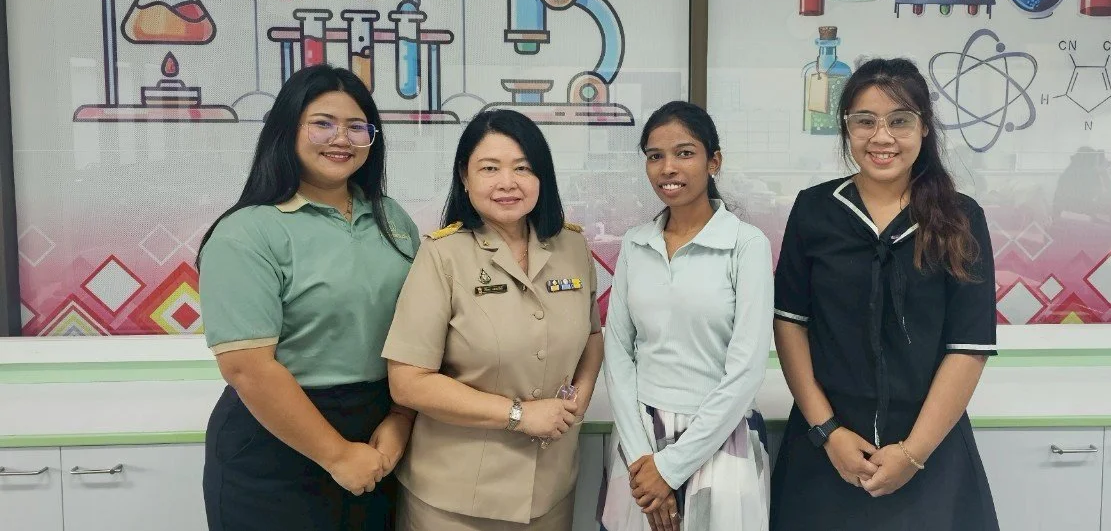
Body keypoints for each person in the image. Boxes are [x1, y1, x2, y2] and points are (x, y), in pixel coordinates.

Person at [770, 58, 1000, 530]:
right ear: (846, 128)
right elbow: (791, 324)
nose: (882, 137)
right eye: (865, 121)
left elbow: (968, 347)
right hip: (826, 451)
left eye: (899, 121)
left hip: (929, 453)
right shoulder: (814, 210)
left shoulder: (960, 218)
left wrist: (912, 455)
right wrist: (828, 432)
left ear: (924, 128)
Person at [200, 65, 420, 531]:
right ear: (287, 130)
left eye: (356, 126)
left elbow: (419, 329)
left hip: (379, 434)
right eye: (322, 123)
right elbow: (247, 367)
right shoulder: (246, 232)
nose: (341, 138)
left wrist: (401, 416)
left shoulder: (391, 218)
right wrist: (337, 455)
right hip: (276, 443)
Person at [382, 109, 605, 530]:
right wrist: (519, 414)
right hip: (457, 501)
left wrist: (581, 394)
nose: (508, 182)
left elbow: (592, 335)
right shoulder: (442, 256)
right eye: (490, 168)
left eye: (523, 168)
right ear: (465, 179)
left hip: (551, 491)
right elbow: (408, 380)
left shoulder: (572, 246)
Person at [600, 101, 774, 531]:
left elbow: (747, 369)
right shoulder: (636, 245)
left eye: (684, 153)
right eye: (655, 156)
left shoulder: (745, 244)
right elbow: (618, 352)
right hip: (639, 440)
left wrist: (671, 468)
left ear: (713, 161)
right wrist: (646, 463)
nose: (668, 168)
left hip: (720, 440)